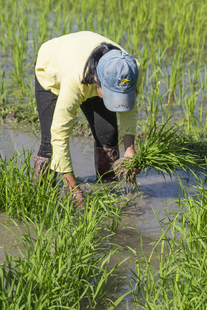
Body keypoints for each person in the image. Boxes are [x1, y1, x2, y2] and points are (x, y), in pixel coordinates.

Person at [32, 31, 140, 206]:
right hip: (52, 67)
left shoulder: (129, 69)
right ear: (97, 79)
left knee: (108, 136)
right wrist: (74, 189)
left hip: (92, 69)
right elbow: (59, 136)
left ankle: (109, 193)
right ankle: (41, 199)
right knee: (49, 146)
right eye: (112, 96)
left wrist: (129, 149)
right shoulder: (73, 81)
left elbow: (129, 109)